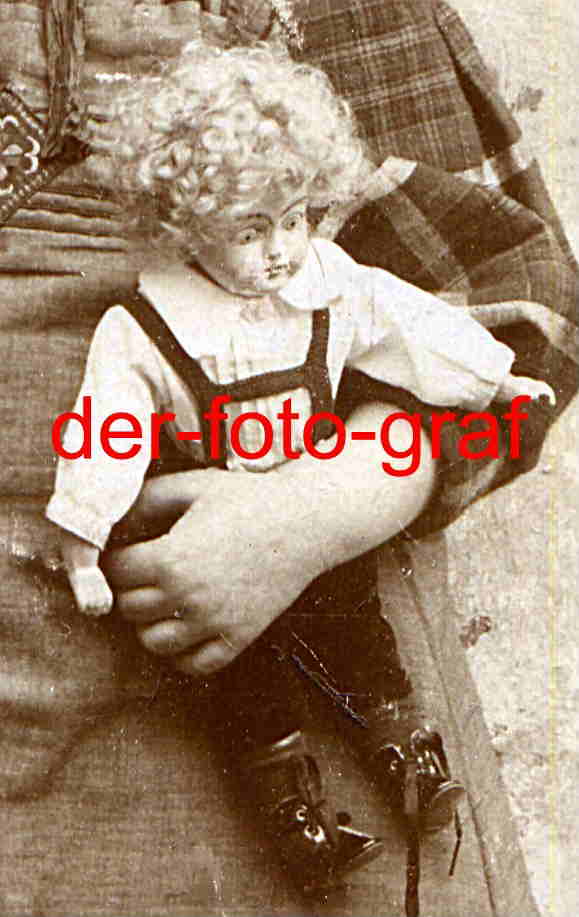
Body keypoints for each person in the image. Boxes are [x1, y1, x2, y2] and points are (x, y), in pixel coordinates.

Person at [0, 1, 575, 914]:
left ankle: (391, 759)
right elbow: (105, 425)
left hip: (311, 547)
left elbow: (506, 291)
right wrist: (80, 538)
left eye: (291, 220)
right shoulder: (138, 326)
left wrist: (333, 497)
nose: (276, 248)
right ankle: (292, 800)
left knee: (356, 668)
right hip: (55, 641)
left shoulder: (328, 34)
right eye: (250, 229)